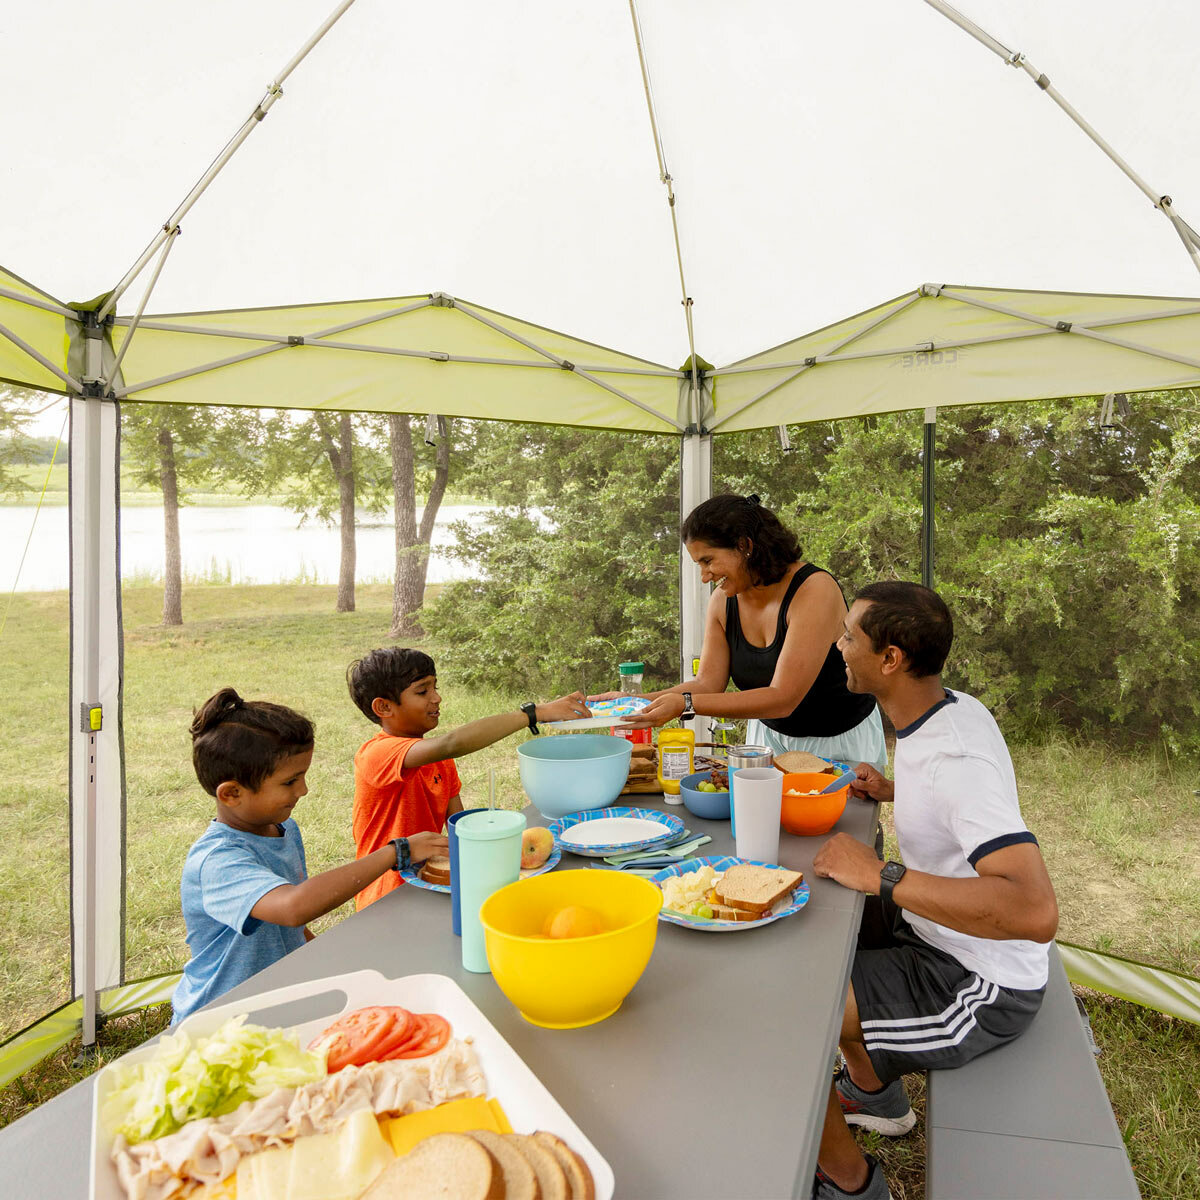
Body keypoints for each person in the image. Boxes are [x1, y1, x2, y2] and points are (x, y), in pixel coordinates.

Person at [809, 582, 1059, 1200]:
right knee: (818, 924)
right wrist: (892, 791)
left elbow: (1034, 911)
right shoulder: (951, 707)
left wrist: (882, 875)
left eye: (848, 637)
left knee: (789, 1017)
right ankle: (874, 1094)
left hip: (981, 983)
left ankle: (850, 1185)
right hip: (937, 933)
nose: (838, 646)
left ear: (890, 659)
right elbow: (951, 802)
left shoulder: (957, 763)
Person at [172, 688, 446, 1026]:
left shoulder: (282, 829)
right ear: (231, 793)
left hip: (276, 1005)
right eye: (290, 782)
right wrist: (397, 852)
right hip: (220, 1022)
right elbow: (293, 907)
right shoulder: (217, 861)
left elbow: (292, 930)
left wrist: (328, 963)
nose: (303, 790)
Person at [620, 493, 886, 769]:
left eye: (708, 561)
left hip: (840, 740)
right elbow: (707, 684)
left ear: (744, 545)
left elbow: (783, 698)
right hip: (768, 737)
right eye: (699, 564)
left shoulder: (814, 589)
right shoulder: (723, 601)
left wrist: (685, 704)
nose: (705, 576)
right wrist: (633, 702)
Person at [346, 647, 589, 909]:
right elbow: (452, 743)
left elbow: (459, 829)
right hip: (385, 899)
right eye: (422, 691)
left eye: (435, 687)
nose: (437, 698)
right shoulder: (377, 754)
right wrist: (534, 713)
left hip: (430, 887)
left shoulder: (440, 760)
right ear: (384, 707)